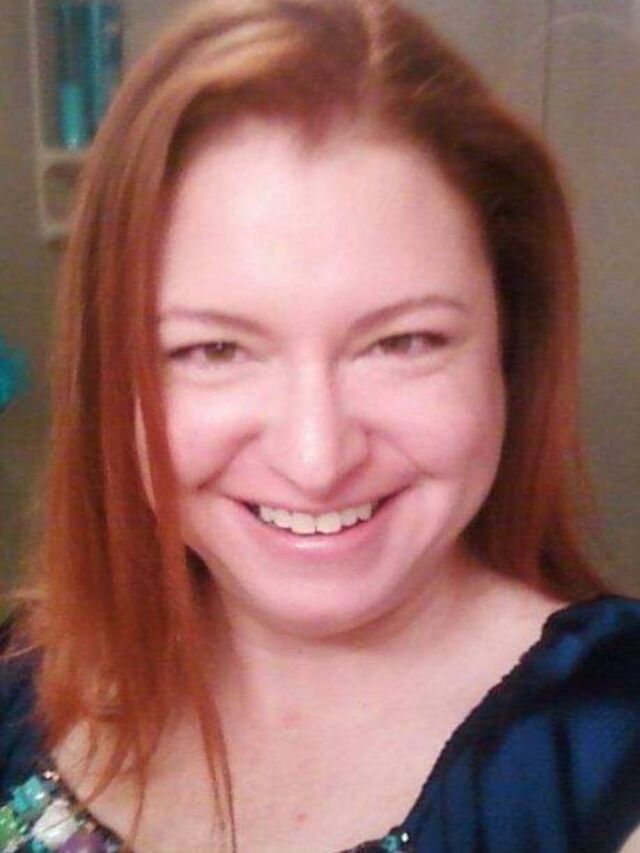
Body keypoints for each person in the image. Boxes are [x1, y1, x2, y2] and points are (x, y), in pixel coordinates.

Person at [1, 0, 639, 850]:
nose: (316, 458)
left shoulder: (608, 746)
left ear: (510, 350)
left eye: (403, 341)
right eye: (214, 349)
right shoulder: (21, 679)